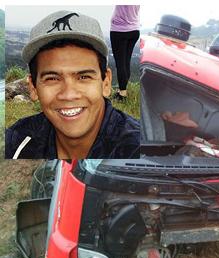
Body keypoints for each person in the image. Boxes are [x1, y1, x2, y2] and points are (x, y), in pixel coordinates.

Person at [5, 10, 140, 159]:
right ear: (33, 87)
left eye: (83, 77)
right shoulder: (17, 142)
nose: (69, 95)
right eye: (52, 79)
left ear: (106, 82)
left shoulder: (137, 147)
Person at [110, 5, 140, 101]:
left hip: (119, 30)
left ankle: (122, 95)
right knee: (126, 62)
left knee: (120, 64)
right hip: (134, 30)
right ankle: (122, 90)